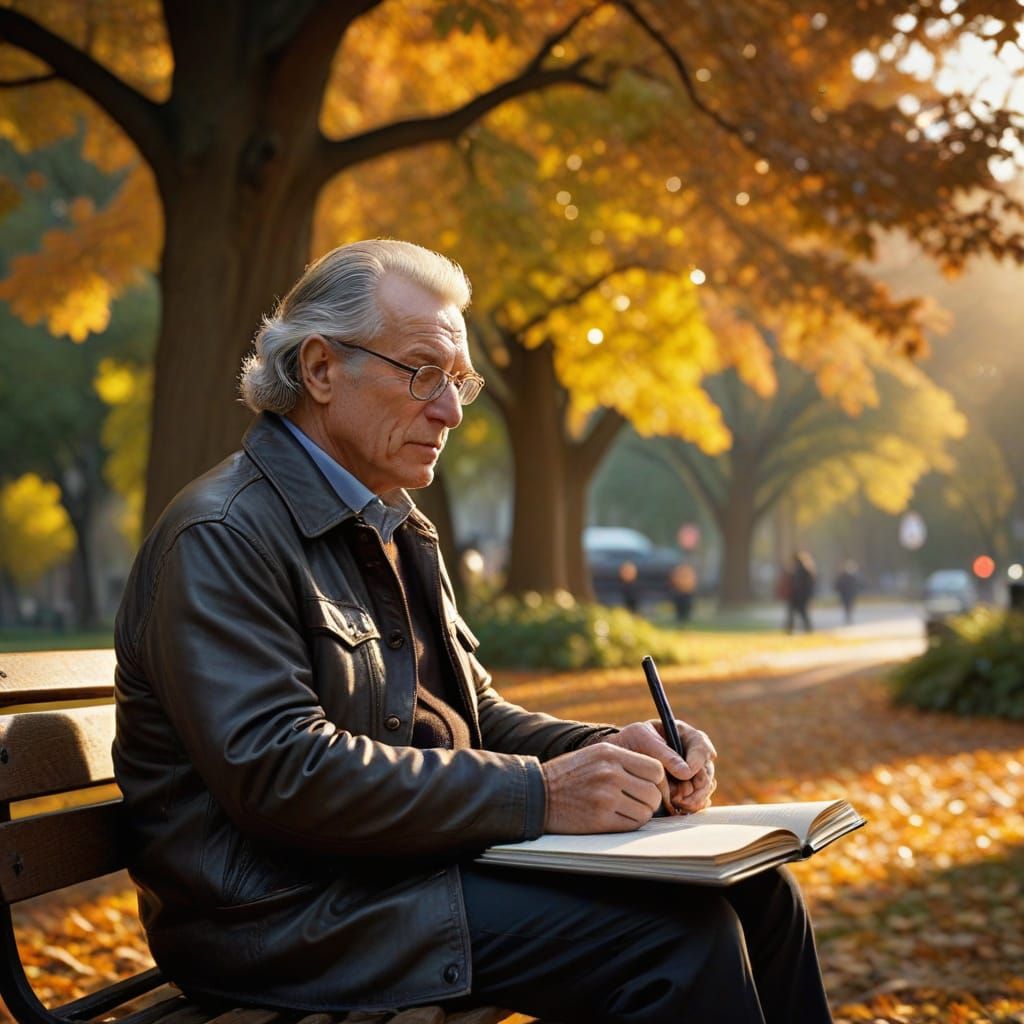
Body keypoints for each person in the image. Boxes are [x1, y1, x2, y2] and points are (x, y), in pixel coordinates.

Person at [113, 240, 833, 1024]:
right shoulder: (222, 533)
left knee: (763, 894)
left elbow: (475, 718)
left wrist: (611, 753)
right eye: (423, 373)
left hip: (388, 879)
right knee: (677, 941)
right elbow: (281, 772)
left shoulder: (393, 525)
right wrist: (542, 793)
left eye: (458, 382)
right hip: (281, 919)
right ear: (320, 370)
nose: (451, 411)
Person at [784, 550, 817, 634]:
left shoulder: (800, 569)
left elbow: (798, 584)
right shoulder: (807, 569)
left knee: (795, 614)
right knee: (801, 614)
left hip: (797, 596)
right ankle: (807, 629)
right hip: (801, 596)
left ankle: (791, 629)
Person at [834, 559, 860, 625]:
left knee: (848, 606)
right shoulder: (843, 576)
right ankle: (848, 617)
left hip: (849, 594)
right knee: (847, 606)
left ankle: (848, 617)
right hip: (846, 594)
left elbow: (856, 585)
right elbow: (838, 585)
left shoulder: (851, 576)